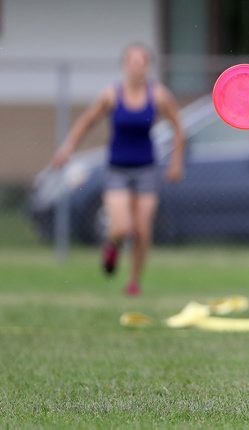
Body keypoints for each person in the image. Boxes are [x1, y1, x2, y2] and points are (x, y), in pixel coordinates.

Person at [52, 43, 185, 296]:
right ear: (125, 66)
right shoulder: (111, 95)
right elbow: (86, 122)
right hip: (117, 169)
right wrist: (67, 148)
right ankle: (112, 247)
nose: (137, 67)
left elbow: (179, 128)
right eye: (132, 62)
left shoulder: (158, 95)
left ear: (148, 67)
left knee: (143, 231)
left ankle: (134, 282)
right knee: (122, 228)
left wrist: (176, 162)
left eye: (142, 62)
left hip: (146, 168)